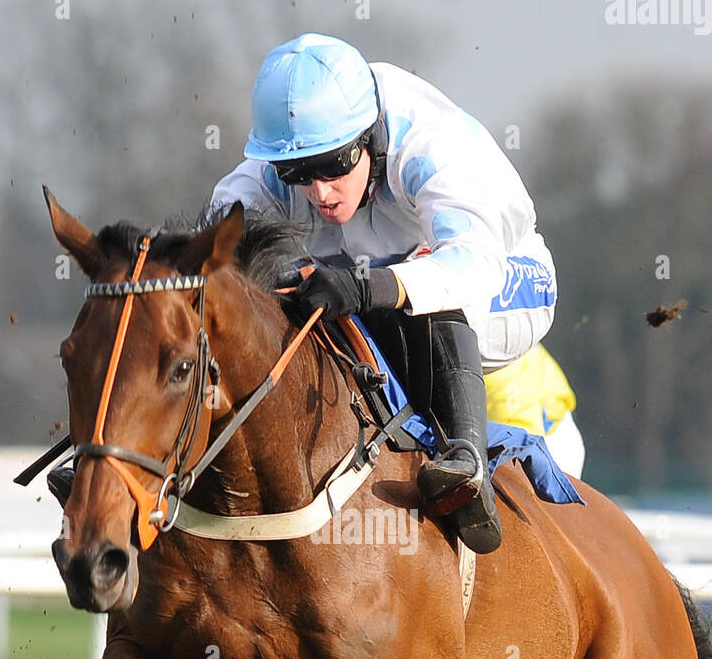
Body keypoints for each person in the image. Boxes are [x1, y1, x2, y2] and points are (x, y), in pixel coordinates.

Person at [208, 32, 582, 554]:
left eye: (335, 165)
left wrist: (367, 287)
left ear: (370, 138)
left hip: (507, 282)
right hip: (383, 279)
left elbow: (471, 265)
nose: (319, 191)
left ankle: (466, 465)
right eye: (299, 172)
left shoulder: (430, 146)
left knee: (426, 281)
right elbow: (213, 256)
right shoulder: (278, 170)